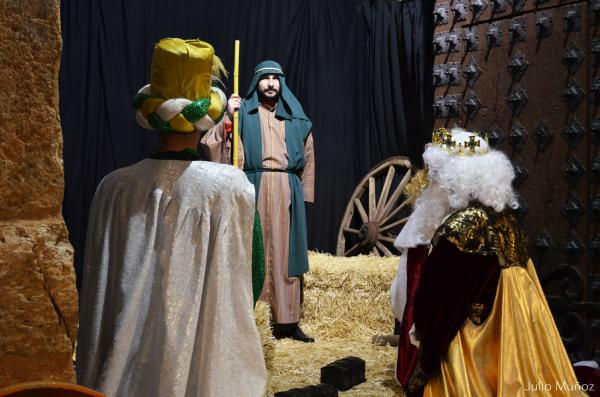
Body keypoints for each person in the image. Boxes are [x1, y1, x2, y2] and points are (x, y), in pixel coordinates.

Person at [76, 38, 267, 397]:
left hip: (122, 378)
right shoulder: (229, 190)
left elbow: (97, 286)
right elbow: (253, 276)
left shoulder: (112, 189)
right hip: (197, 368)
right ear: (202, 119)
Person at [393, 128, 586, 396]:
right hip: (514, 350)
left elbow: (439, 306)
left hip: (475, 359)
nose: (431, 185)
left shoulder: (460, 229)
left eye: (436, 177)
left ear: (454, 181)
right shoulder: (505, 220)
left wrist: (424, 351)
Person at [201, 60, 315, 343]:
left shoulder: (295, 119)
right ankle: (256, 321)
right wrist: (228, 115)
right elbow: (212, 144)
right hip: (253, 187)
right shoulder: (243, 115)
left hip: (287, 189)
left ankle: (287, 322)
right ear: (256, 83)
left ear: (282, 83)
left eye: (276, 79)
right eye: (266, 79)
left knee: (287, 255)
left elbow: (309, 156)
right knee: (255, 252)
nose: (271, 84)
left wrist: (305, 193)